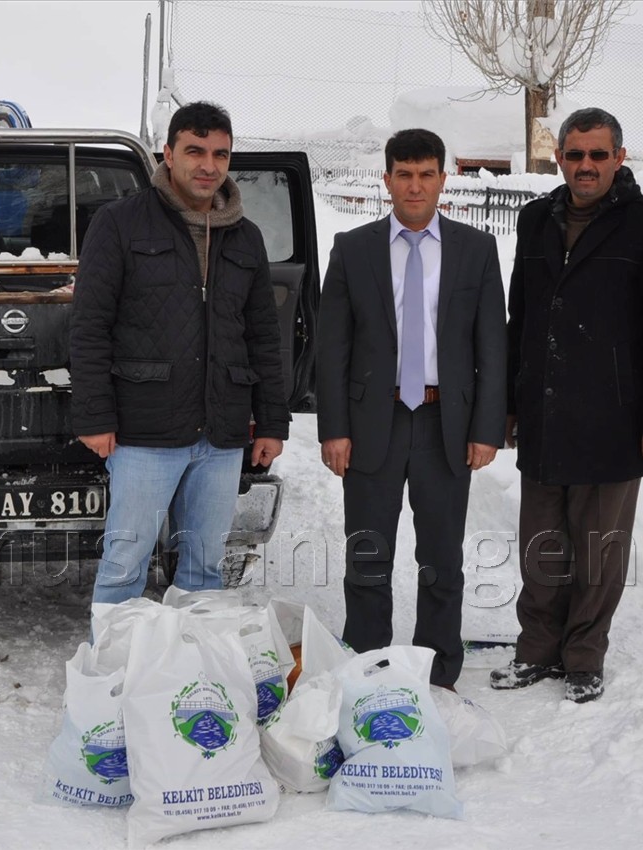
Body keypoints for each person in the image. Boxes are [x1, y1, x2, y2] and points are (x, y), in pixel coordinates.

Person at [492, 107, 643, 703]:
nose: (585, 165)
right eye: (575, 154)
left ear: (618, 159)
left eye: (598, 155)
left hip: (614, 418)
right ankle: (538, 649)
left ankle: (583, 656)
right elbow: (518, 314)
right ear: (560, 159)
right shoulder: (536, 218)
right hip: (545, 412)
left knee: (599, 547)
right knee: (542, 542)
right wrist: (508, 400)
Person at [70, 101, 289, 607]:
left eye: (220, 154)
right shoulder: (120, 223)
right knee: (126, 566)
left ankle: (191, 677)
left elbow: (263, 336)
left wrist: (271, 423)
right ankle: (114, 676)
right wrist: (95, 415)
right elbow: (90, 327)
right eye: (194, 151)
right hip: (145, 431)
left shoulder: (246, 237)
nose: (208, 165)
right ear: (167, 154)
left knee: (204, 569)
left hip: (221, 434)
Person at [316, 128, 506, 689]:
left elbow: (491, 345)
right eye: (404, 174)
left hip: (444, 423)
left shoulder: (476, 251)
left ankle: (438, 672)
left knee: (442, 560)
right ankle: (369, 666)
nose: (415, 186)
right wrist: (335, 429)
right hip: (375, 423)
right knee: (368, 556)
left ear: (443, 180)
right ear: (387, 180)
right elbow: (333, 348)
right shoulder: (354, 249)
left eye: (426, 174)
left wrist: (486, 427)